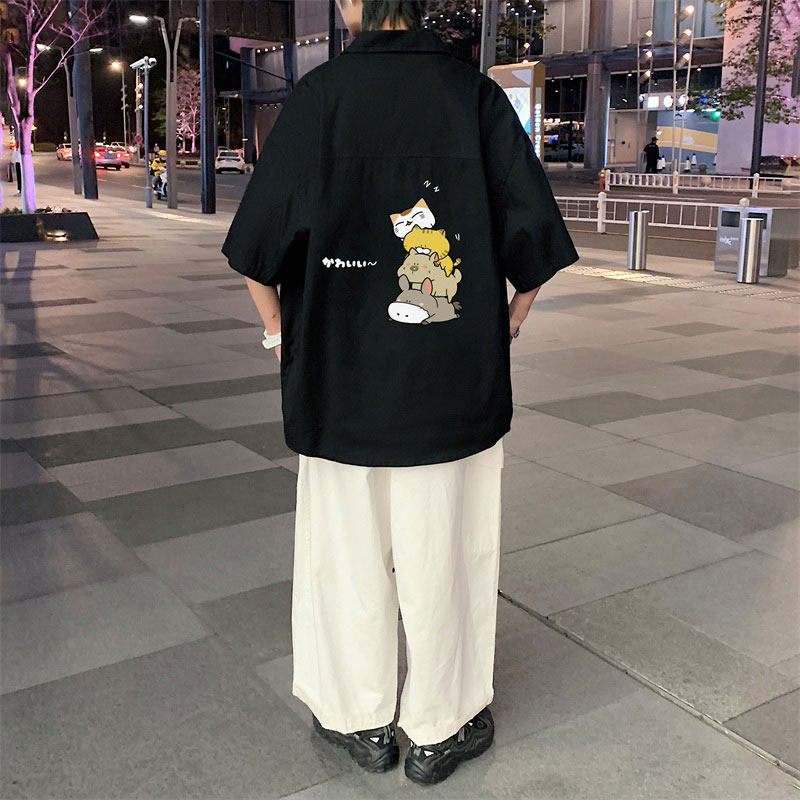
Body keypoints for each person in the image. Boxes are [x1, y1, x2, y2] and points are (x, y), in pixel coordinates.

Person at [222, 0, 578, 787]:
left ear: (352, 4)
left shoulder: (319, 99)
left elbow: (254, 253)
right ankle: (440, 726)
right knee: (446, 552)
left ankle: (360, 719)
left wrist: (281, 335)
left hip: (338, 381)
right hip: (452, 384)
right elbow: (535, 241)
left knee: (346, 553)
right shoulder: (474, 96)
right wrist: (509, 321)